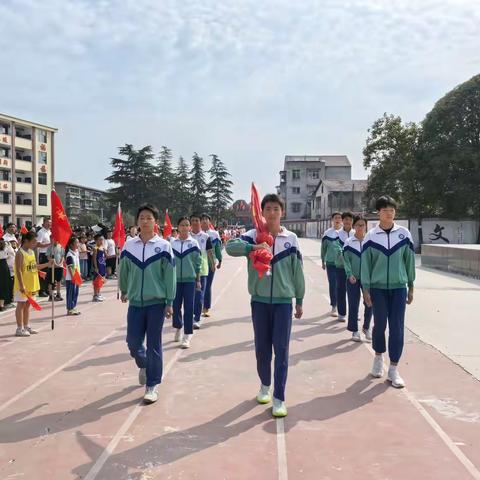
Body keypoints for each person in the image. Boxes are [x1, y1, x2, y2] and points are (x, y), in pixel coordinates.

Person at [226, 193, 305, 418]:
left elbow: (297, 271)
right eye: (267, 209)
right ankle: (265, 385)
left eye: (276, 209)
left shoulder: (291, 239)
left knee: (281, 350)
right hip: (259, 302)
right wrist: (254, 248)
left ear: (282, 213)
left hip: (283, 303)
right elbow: (230, 248)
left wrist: (299, 299)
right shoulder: (252, 235)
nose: (271, 213)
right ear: (262, 212)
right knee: (262, 349)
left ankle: (279, 398)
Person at [119, 203, 176, 404]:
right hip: (135, 302)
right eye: (141, 217)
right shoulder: (129, 245)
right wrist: (124, 289)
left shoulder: (164, 246)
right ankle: (143, 364)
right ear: (137, 221)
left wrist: (169, 301)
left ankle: (152, 384)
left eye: (149, 218)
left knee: (154, 344)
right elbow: (124, 269)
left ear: (156, 222)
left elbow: (170, 276)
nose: (145, 221)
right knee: (133, 343)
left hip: (156, 303)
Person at [361, 196, 415, 388]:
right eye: (385, 210)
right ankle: (378, 357)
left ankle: (393, 368)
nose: (389, 212)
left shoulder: (404, 234)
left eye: (392, 209)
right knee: (380, 324)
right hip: (378, 289)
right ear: (379, 213)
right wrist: (365, 289)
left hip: (399, 288)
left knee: (397, 327)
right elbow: (365, 265)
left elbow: (409, 262)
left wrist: (411, 286)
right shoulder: (371, 236)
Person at [171, 217, 202, 349]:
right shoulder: (172, 244)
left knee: (189, 307)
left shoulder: (194, 243)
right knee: (176, 307)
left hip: (190, 280)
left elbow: (198, 263)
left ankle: (187, 335)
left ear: (190, 228)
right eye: (182, 225)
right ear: (178, 227)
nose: (184, 227)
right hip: (175, 281)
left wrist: (198, 280)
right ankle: (178, 327)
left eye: (187, 225)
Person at [13, 232, 52, 336]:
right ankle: (19, 328)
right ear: (26, 241)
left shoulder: (31, 252)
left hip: (32, 283)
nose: (35, 243)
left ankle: (26, 326)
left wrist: (47, 265)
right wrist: (21, 285)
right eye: (33, 241)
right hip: (23, 284)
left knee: (27, 305)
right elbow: (19, 271)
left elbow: (34, 266)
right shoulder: (20, 253)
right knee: (21, 305)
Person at [343, 215, 372, 342]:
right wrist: (350, 274)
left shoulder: (370, 242)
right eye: (358, 225)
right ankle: (355, 330)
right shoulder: (348, 242)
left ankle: (366, 327)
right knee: (353, 304)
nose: (360, 227)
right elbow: (346, 260)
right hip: (353, 278)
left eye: (362, 225)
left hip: (368, 279)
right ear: (354, 226)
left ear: (366, 226)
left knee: (369, 303)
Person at [190, 214, 215, 329]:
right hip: (188, 271)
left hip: (203, 270)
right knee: (190, 295)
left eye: (197, 220)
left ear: (200, 223)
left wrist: (213, 263)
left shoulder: (205, 236)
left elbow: (209, 251)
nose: (195, 222)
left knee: (199, 295)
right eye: (193, 220)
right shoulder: (187, 236)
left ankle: (196, 318)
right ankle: (190, 315)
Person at [334, 212, 355, 322]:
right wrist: (345, 256)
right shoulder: (337, 234)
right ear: (343, 221)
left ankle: (354, 312)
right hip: (341, 266)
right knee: (341, 289)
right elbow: (337, 248)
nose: (347, 221)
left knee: (354, 292)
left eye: (350, 219)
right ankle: (341, 313)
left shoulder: (355, 233)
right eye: (345, 219)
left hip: (353, 267)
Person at [200, 213, 222, 318]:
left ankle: (206, 308)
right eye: (202, 219)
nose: (204, 221)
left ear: (210, 221)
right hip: (198, 265)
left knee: (207, 285)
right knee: (198, 286)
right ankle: (198, 306)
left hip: (210, 264)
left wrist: (220, 260)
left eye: (206, 219)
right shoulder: (195, 234)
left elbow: (217, 249)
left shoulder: (214, 234)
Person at [321, 212, 342, 316]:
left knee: (344, 286)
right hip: (331, 263)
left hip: (343, 264)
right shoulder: (327, 233)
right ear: (332, 220)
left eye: (339, 218)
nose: (337, 219)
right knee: (333, 284)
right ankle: (334, 306)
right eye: (335, 218)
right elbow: (323, 248)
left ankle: (344, 307)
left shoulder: (347, 232)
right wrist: (323, 261)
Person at [65, 236, 81, 316]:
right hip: (71, 278)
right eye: (76, 243)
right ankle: (69, 309)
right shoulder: (69, 255)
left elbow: (77, 265)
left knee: (76, 293)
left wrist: (79, 275)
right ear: (71, 245)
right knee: (70, 293)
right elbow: (70, 267)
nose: (78, 244)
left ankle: (73, 307)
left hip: (77, 276)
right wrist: (73, 277)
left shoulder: (76, 252)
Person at [36, 218, 52, 297]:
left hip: (50, 254)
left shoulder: (50, 232)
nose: (49, 224)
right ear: (44, 223)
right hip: (43, 254)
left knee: (49, 273)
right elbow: (38, 244)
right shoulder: (41, 232)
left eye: (50, 223)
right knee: (43, 273)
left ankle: (47, 289)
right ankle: (41, 290)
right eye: (47, 222)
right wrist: (49, 244)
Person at [92, 234, 106, 302]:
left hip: (102, 266)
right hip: (98, 267)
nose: (101, 241)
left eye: (102, 239)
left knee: (101, 281)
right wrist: (96, 267)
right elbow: (94, 259)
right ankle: (95, 295)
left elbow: (105, 257)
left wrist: (116, 254)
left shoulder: (102, 248)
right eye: (100, 240)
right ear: (96, 241)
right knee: (96, 282)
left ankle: (99, 293)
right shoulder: (95, 248)